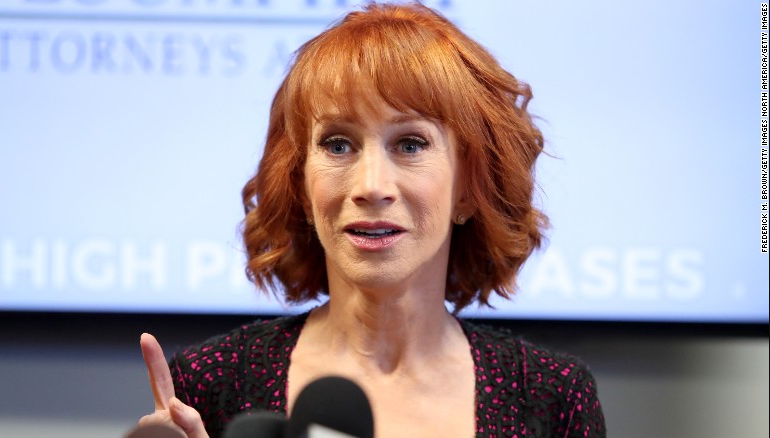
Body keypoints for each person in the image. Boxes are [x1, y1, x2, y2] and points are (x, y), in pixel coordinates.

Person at [137, 3, 606, 437]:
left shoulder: (552, 398)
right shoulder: (210, 386)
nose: (371, 186)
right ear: (301, 183)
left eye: (410, 144)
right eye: (338, 145)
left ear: (469, 186)